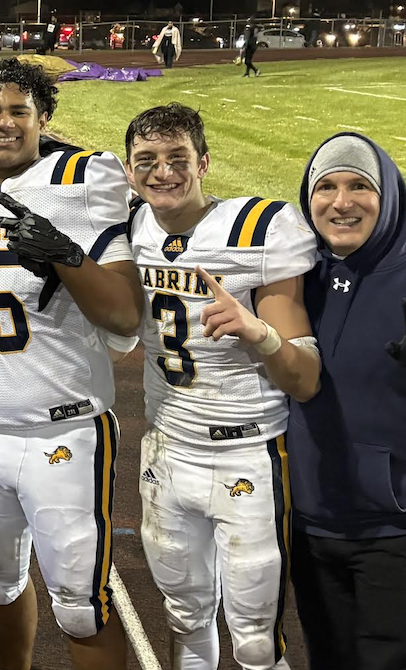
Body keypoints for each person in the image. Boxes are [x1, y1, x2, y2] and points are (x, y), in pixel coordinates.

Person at [0, 57, 140, 670]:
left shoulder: (82, 176)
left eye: (19, 111)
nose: (3, 123)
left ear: (42, 118)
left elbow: (126, 316)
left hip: (65, 428)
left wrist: (66, 256)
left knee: (79, 605)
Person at [123, 103, 321, 670]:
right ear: (132, 174)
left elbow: (304, 379)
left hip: (247, 452)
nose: (162, 172)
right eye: (147, 161)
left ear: (204, 162)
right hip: (166, 449)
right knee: (184, 617)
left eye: (177, 158)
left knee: (256, 638)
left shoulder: (259, 230)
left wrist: (259, 333)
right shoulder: (134, 226)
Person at [288, 133, 406, 670]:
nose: (342, 202)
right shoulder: (296, 269)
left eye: (360, 186)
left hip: (392, 529)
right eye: (327, 187)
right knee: (328, 657)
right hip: (312, 521)